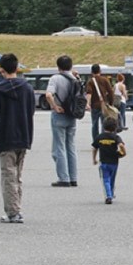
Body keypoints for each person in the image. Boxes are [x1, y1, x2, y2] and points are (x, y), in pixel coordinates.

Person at [0, 53, 35, 223]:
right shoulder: (28, 89)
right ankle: (16, 208)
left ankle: (12, 212)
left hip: (6, 135)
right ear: (16, 68)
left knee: (8, 175)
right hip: (24, 134)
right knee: (17, 175)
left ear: (2, 70)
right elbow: (31, 111)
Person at [45, 55, 80, 187]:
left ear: (58, 66)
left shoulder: (55, 78)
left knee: (59, 147)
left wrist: (54, 106)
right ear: (71, 66)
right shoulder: (75, 78)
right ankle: (73, 177)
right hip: (72, 115)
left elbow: (48, 94)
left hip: (59, 114)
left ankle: (63, 178)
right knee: (71, 146)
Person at [92, 116, 126, 205]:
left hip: (103, 162)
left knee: (105, 179)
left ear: (103, 126)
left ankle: (108, 196)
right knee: (112, 178)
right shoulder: (116, 137)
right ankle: (111, 192)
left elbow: (94, 148)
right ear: (115, 127)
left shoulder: (99, 137)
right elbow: (121, 145)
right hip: (114, 162)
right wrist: (124, 153)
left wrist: (94, 159)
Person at [86, 64, 115, 141]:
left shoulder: (90, 81)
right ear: (100, 71)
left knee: (94, 125)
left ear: (92, 72)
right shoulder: (105, 80)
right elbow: (110, 92)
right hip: (104, 105)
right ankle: (103, 139)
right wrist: (111, 103)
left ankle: (96, 141)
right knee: (104, 124)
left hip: (94, 106)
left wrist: (88, 103)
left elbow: (89, 93)